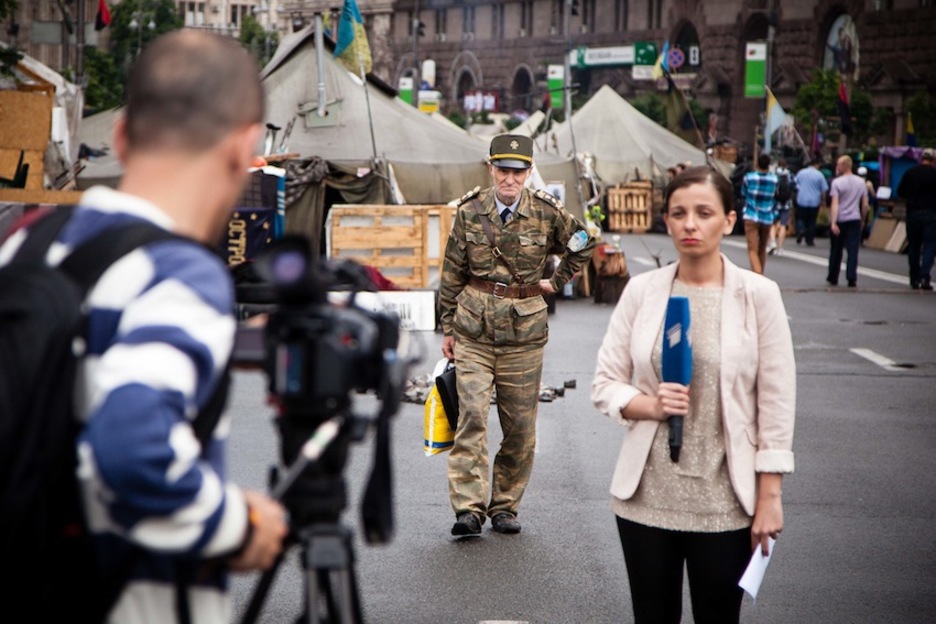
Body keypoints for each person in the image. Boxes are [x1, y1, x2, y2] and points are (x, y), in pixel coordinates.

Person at [0, 31, 287, 622]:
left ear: (122, 136)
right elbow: (133, 447)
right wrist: (240, 524)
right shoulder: (178, 275)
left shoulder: (21, 243)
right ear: (244, 147)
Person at [591, 166, 795, 624]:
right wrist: (652, 405)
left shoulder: (759, 296)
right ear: (665, 220)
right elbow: (605, 384)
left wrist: (770, 495)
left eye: (704, 213)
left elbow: (776, 400)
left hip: (726, 500)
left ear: (729, 220)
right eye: (678, 213)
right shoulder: (643, 291)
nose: (690, 224)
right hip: (645, 496)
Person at [439, 134, 595, 536]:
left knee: (521, 425)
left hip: (523, 336)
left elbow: (584, 242)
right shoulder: (470, 211)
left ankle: (505, 505)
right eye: (502, 170)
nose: (509, 179)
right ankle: (469, 508)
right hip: (474, 330)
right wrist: (448, 327)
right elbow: (452, 271)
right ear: (491, 169)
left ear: (528, 173)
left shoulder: (546, 212)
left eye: (517, 171)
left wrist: (556, 281)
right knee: (471, 415)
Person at [896, 148, 936, 290]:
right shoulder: (934, 174)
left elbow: (900, 192)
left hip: (913, 213)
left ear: (921, 158)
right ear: (933, 160)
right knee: (930, 245)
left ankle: (914, 278)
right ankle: (925, 276)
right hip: (931, 214)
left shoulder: (910, 173)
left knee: (914, 245)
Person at [827, 155, 869, 288]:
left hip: (840, 219)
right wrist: (863, 219)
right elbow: (865, 204)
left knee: (836, 249)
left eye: (839, 164)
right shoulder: (861, 182)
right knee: (852, 249)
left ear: (845, 165)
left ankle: (833, 276)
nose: (837, 167)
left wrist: (833, 222)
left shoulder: (837, 182)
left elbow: (835, 204)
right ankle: (851, 277)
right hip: (854, 218)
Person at [741, 153, 778, 274]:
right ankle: (761, 274)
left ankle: (758, 275)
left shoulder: (749, 177)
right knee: (762, 248)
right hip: (767, 216)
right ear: (768, 165)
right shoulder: (774, 179)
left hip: (751, 214)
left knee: (752, 249)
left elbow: (743, 193)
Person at [793, 157, 829, 246]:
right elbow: (824, 190)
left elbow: (795, 184)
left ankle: (801, 229)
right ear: (816, 164)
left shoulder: (801, 173)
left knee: (800, 218)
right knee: (812, 221)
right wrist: (823, 201)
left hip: (802, 199)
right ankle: (810, 240)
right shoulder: (819, 175)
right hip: (814, 201)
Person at [768, 159, 795, 256]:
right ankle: (780, 248)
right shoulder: (790, 175)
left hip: (774, 203)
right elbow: (795, 188)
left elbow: (770, 188)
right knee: (783, 225)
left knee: (772, 223)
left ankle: (772, 243)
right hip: (786, 204)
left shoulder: (773, 175)